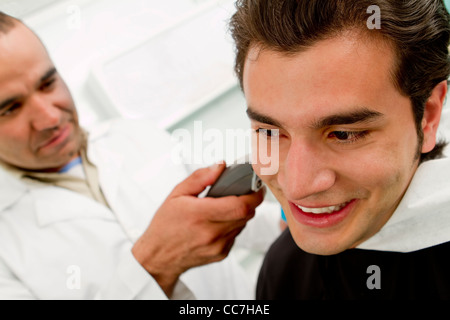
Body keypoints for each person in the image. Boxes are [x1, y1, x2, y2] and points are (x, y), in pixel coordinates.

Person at [0, 12, 281, 300]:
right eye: (10, 108)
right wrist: (154, 266)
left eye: (47, 84)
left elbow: (220, 218)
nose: (49, 117)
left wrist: (291, 222)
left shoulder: (134, 134)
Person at [229, 0, 450, 299]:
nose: (298, 186)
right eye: (269, 132)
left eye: (344, 134)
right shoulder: (285, 272)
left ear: (428, 116)